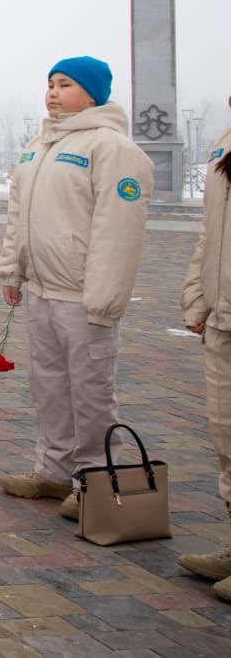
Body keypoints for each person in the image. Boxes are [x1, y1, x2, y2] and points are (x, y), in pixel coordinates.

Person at [0, 56, 152, 520]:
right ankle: (54, 470)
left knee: (91, 392)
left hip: (84, 296)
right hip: (42, 289)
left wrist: (104, 299)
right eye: (50, 84)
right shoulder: (39, 146)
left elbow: (118, 232)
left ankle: (95, 480)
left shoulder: (111, 147)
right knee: (48, 385)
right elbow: (17, 215)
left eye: (65, 84)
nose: (53, 93)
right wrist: (12, 270)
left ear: (93, 93)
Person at [179, 114, 231, 600]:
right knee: (225, 435)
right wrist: (199, 296)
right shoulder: (224, 144)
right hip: (223, 316)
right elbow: (210, 234)